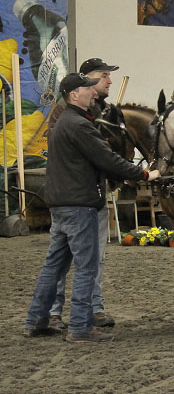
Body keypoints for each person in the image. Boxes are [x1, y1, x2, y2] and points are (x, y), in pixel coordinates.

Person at [23, 73, 159, 342]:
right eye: (88, 89)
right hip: (80, 206)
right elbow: (107, 159)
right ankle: (80, 327)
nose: (94, 92)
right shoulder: (80, 125)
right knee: (87, 268)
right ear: (74, 95)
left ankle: (36, 321)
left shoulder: (65, 122)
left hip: (61, 204)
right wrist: (144, 175)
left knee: (54, 266)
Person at [46, 57, 120, 332]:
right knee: (63, 259)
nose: (108, 81)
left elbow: (115, 151)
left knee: (96, 257)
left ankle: (95, 307)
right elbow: (70, 151)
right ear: (87, 81)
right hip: (74, 197)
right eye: (103, 76)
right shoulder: (64, 114)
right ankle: (54, 312)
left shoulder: (107, 111)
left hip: (95, 194)